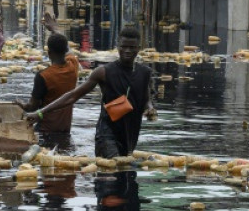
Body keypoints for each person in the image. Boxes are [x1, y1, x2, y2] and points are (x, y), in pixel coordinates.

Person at [25, 26, 157, 158]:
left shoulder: (144, 73)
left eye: (132, 47)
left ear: (138, 48)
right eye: (124, 46)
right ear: (118, 46)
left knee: (124, 173)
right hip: (106, 136)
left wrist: (150, 109)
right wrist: (40, 113)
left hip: (130, 136)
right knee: (113, 171)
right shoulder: (104, 72)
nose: (128, 51)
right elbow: (72, 96)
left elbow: (146, 99)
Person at [17, 13, 80, 133]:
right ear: (65, 51)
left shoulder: (43, 76)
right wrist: (55, 29)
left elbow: (32, 107)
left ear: (49, 53)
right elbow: (68, 48)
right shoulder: (73, 66)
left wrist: (20, 104)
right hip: (65, 128)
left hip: (45, 129)